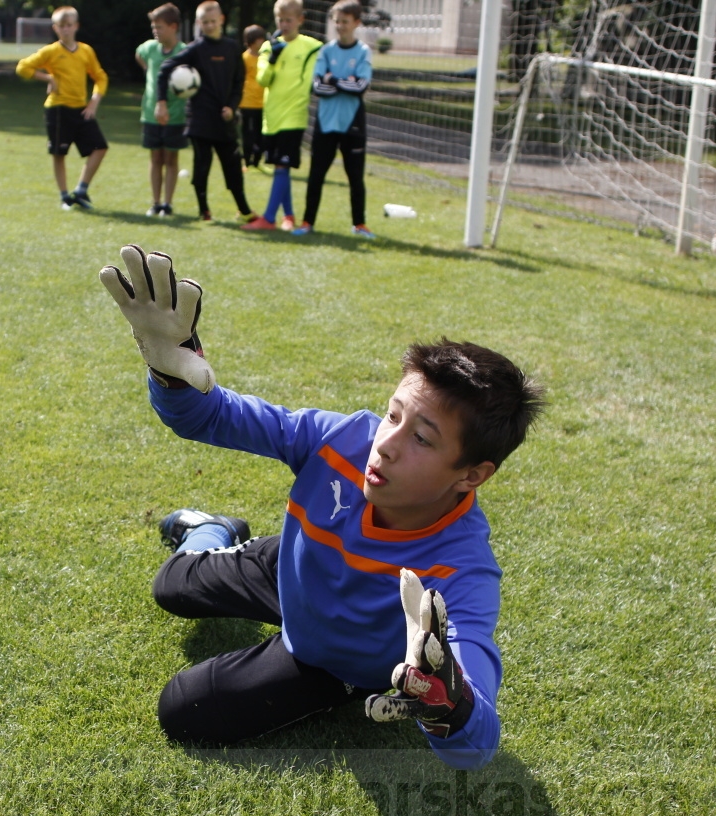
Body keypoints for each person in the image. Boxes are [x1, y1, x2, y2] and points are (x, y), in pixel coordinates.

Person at [98, 245, 547, 769]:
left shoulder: (461, 570)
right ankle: (212, 529)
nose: (387, 443)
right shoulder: (344, 438)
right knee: (170, 585)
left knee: (184, 708)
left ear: (471, 475)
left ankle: (332, 675)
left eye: (422, 439)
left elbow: (479, 742)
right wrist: (171, 373)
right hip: (294, 564)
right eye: (392, 415)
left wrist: (452, 703)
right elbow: (212, 417)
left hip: (331, 658)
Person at [156, 1, 258, 224]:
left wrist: (232, 106)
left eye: (213, 21)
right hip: (200, 120)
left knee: (233, 166)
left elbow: (239, 82)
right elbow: (165, 70)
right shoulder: (195, 49)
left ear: (221, 20)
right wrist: (161, 102)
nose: (210, 25)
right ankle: (204, 211)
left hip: (225, 120)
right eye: (205, 22)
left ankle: (245, 210)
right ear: (199, 23)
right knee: (202, 167)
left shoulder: (232, 48)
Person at [293, 0, 374, 239]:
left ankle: (359, 224)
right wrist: (342, 82)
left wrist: (334, 80)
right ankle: (308, 222)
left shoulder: (363, 51)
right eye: (337, 21)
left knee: (355, 178)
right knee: (316, 175)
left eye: (345, 22)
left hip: (353, 124)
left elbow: (360, 86)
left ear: (356, 23)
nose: (340, 26)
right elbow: (318, 87)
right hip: (325, 123)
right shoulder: (326, 51)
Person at [16, 6, 109, 210]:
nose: (66, 30)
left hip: (81, 109)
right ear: (55, 28)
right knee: (59, 153)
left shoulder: (86, 51)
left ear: (76, 26)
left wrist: (94, 102)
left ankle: (81, 190)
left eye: (69, 25)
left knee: (100, 147)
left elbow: (100, 77)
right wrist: (47, 77)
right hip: (58, 110)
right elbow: (22, 67)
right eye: (61, 26)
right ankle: (65, 196)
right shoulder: (51, 51)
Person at [242, 0, 322, 231]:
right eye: (280, 20)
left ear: (300, 20)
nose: (284, 24)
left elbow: (308, 83)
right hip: (272, 118)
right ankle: (288, 215)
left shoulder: (312, 47)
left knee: (281, 166)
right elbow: (263, 79)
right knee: (280, 165)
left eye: (289, 20)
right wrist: (273, 59)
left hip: (293, 117)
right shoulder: (269, 47)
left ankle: (268, 218)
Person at [137, 3, 187, 218]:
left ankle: (168, 203)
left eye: (160, 27)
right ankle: (155, 203)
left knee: (171, 159)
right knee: (155, 158)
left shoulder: (184, 51)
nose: (156, 31)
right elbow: (139, 55)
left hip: (175, 115)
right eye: (153, 27)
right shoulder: (149, 48)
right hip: (150, 113)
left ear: (174, 26)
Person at [239, 25, 268, 173]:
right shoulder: (244, 58)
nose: (262, 42)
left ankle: (257, 161)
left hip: (263, 102)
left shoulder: (266, 57)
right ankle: (247, 161)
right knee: (247, 133)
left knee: (260, 134)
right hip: (247, 102)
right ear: (251, 41)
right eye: (259, 39)